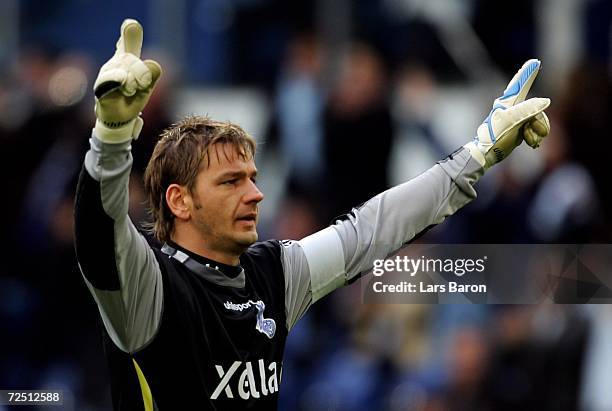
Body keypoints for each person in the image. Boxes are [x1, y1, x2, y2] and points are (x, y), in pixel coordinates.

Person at [74, 19, 550, 410]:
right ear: (179, 201)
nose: (256, 194)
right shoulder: (148, 288)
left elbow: (375, 227)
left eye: (253, 177)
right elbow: (99, 238)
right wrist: (112, 137)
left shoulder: (274, 274)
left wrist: (479, 152)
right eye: (231, 182)